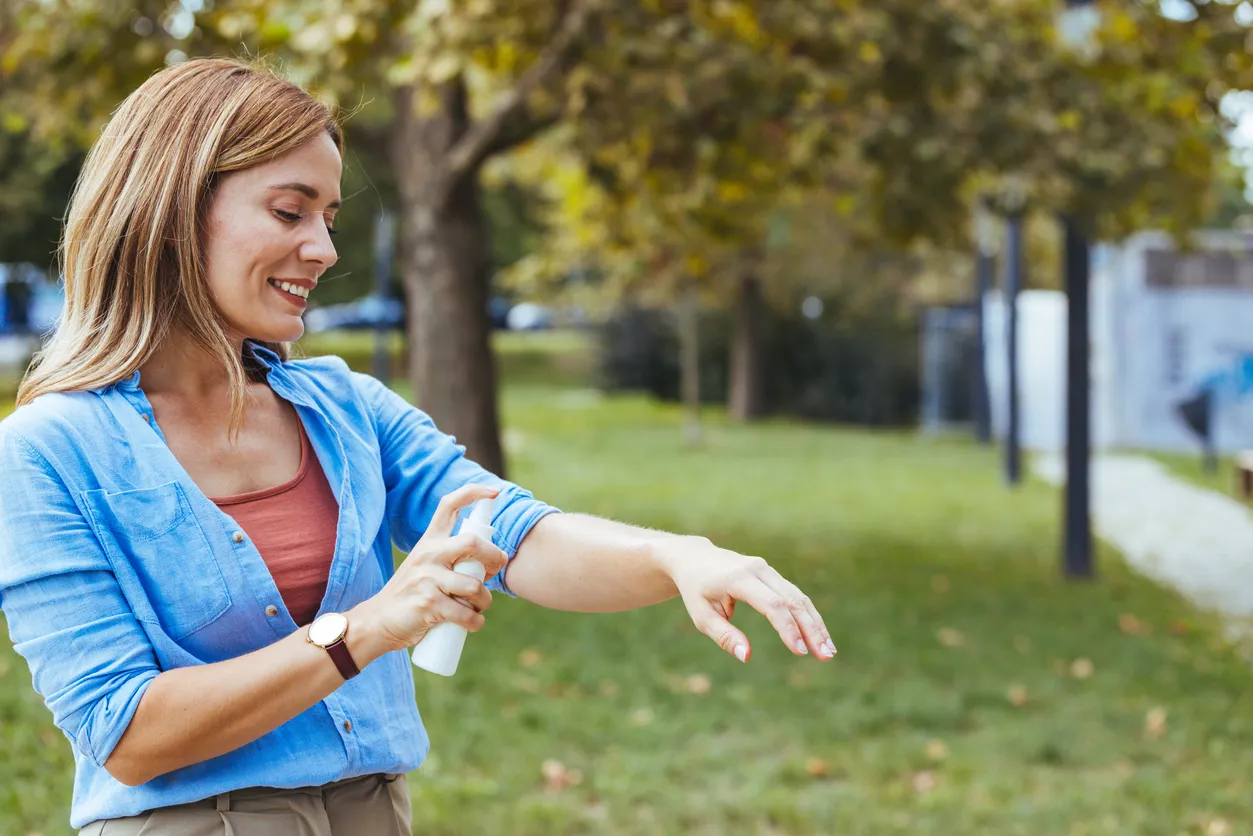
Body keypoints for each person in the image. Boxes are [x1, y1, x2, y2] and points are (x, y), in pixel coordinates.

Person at [0, 58, 835, 835]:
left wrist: (673, 557)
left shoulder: (344, 410)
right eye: (290, 212)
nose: (324, 249)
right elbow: (126, 732)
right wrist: (362, 630)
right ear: (174, 212)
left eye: (327, 218)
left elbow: (512, 534)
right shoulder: (47, 452)